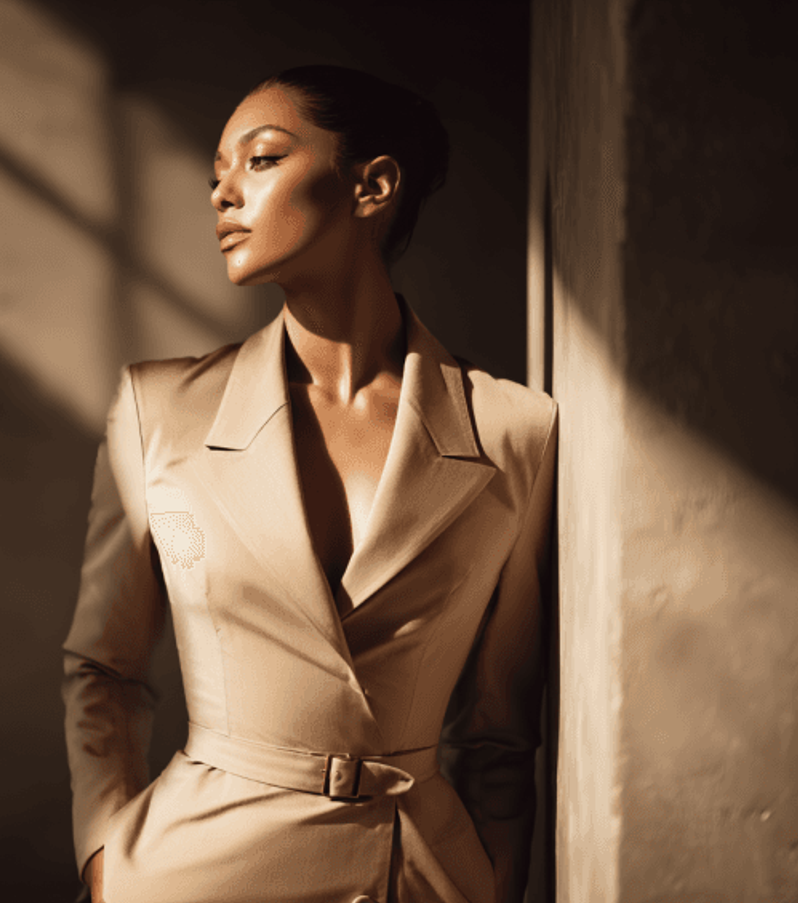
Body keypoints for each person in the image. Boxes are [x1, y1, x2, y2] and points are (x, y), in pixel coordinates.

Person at [62, 65, 557, 903]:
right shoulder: (158, 410)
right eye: (216, 172)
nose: (221, 195)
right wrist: (107, 859)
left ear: (372, 185)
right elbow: (103, 668)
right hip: (192, 873)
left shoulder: (515, 431)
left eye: (258, 160)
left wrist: (497, 886)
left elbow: (500, 733)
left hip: (415, 874)